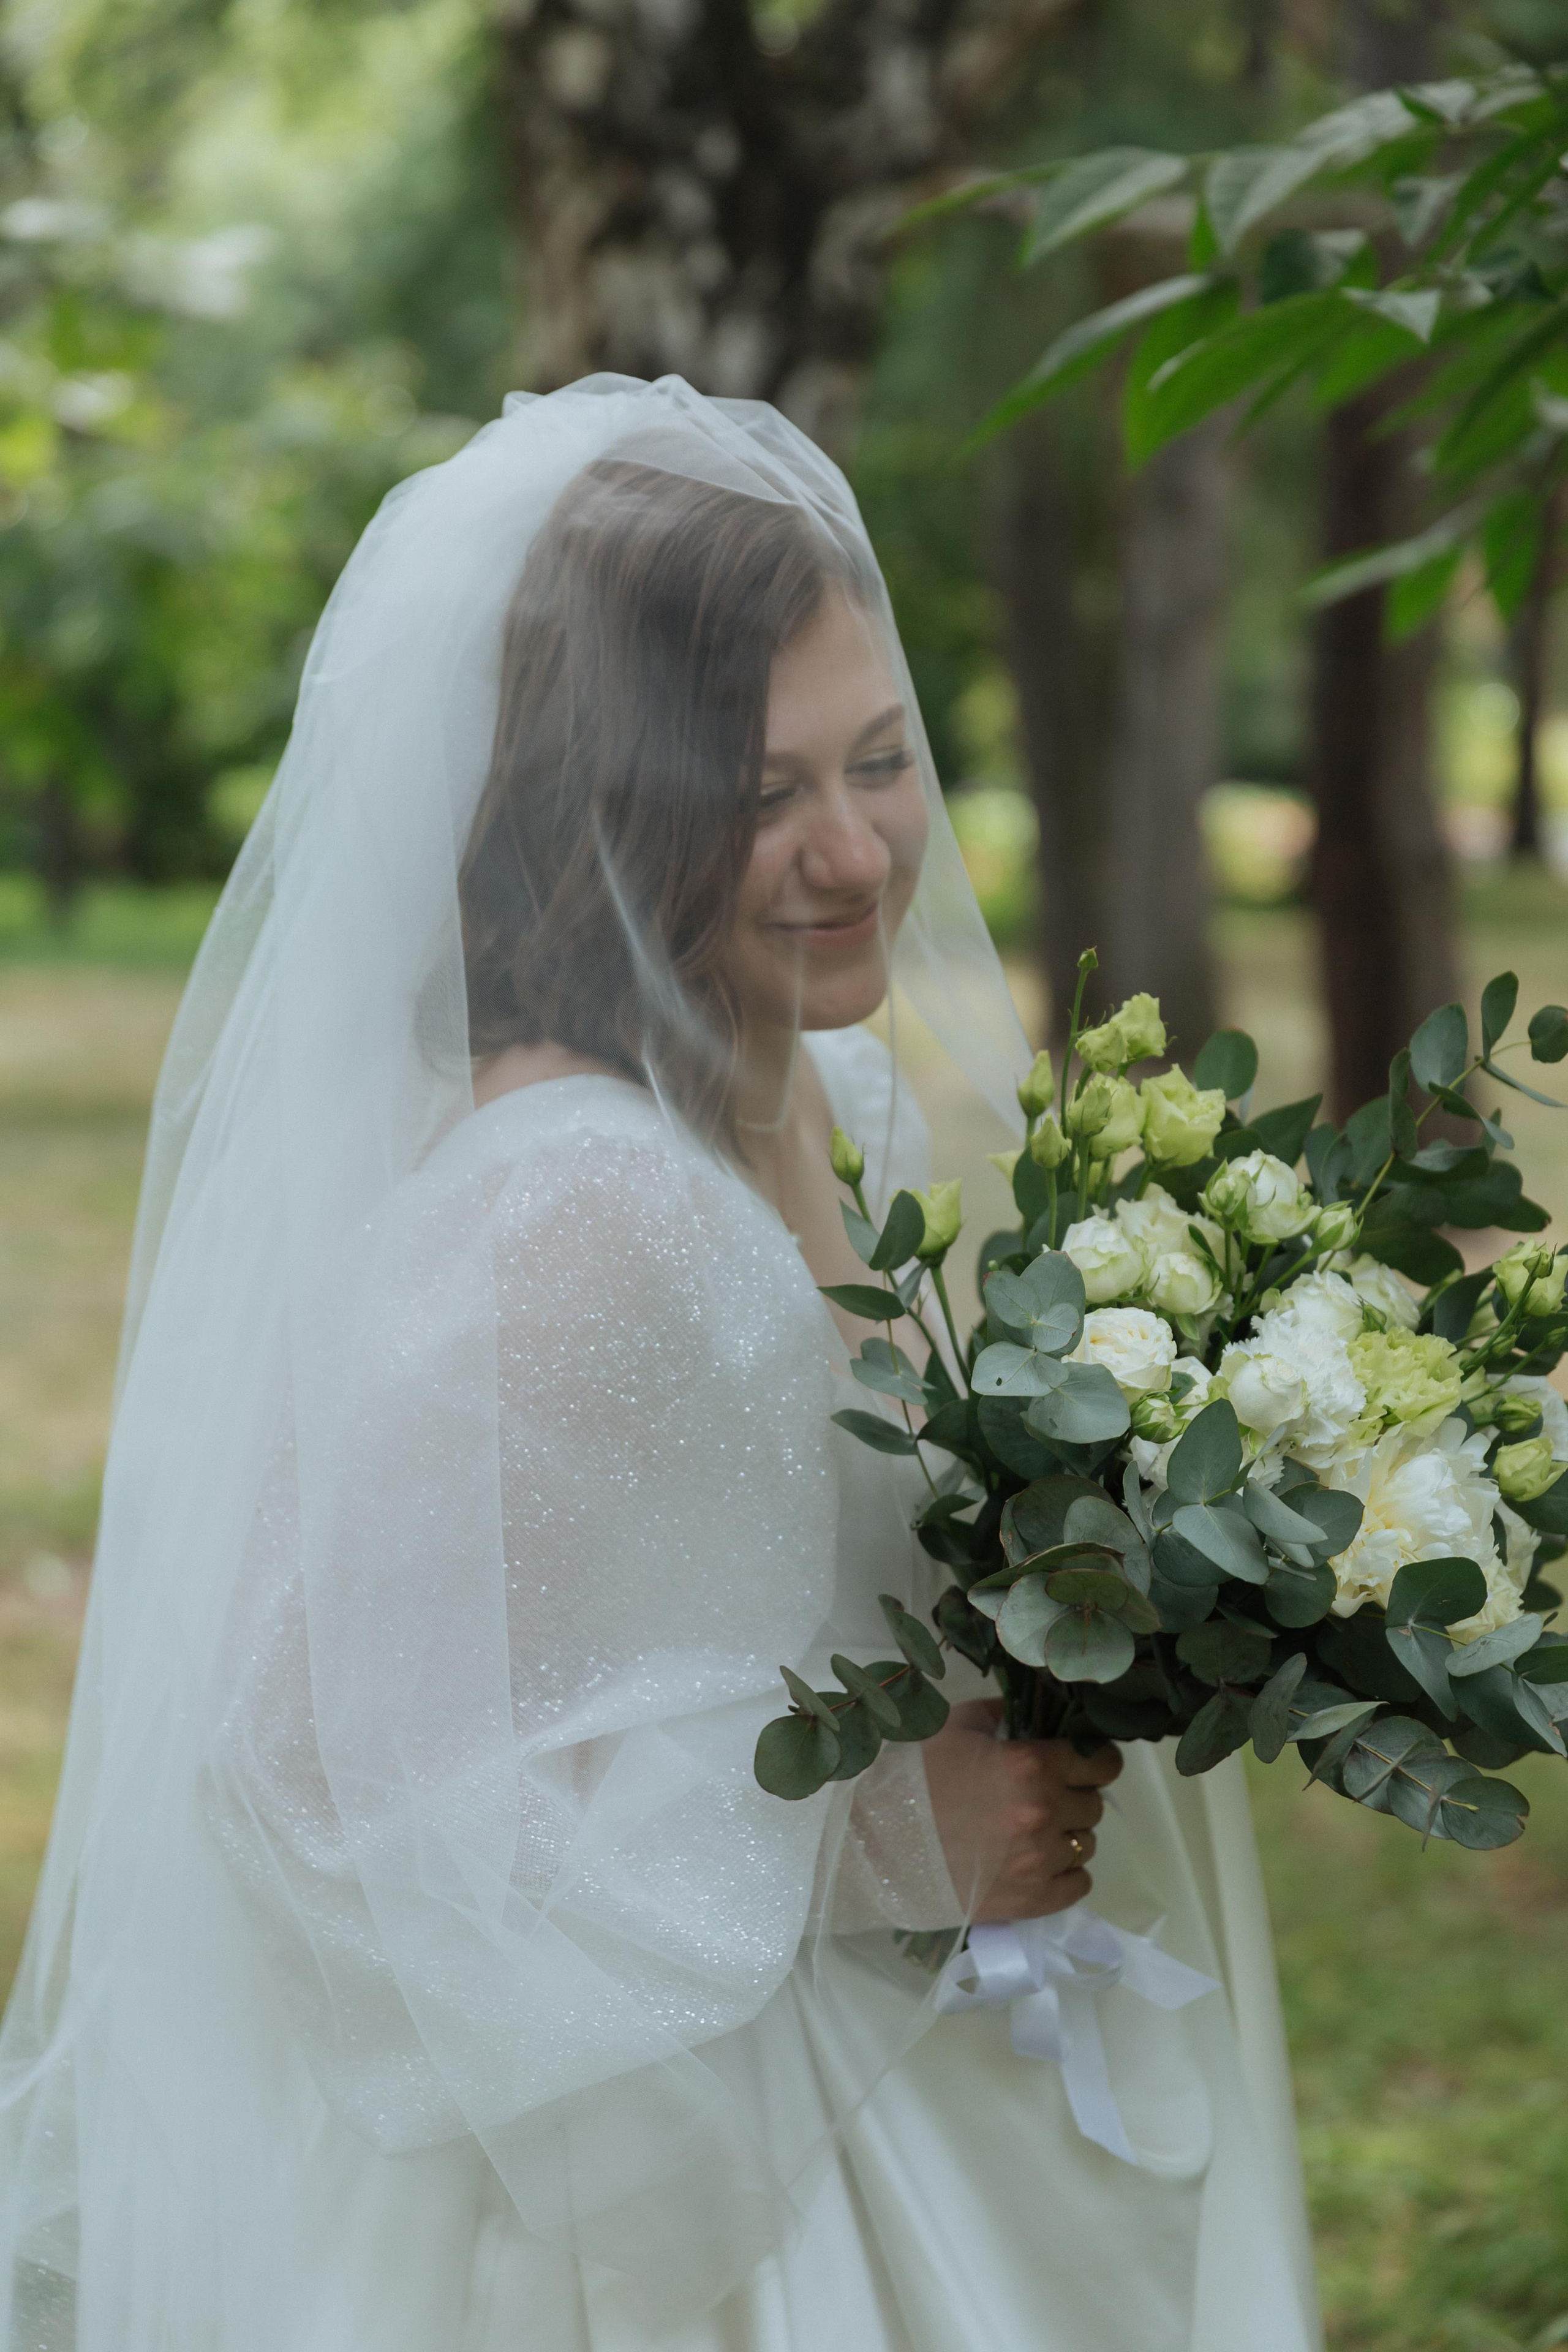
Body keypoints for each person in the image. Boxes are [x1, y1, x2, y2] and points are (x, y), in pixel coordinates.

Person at [0, 375, 1321, 2352]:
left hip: (914, 2062)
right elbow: (293, 1764)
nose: (859, 850)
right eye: (759, 791)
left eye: (877, 759)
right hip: (675, 2194)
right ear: (607, 810)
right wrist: (870, 1841)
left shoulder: (846, 1103)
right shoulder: (570, 1205)